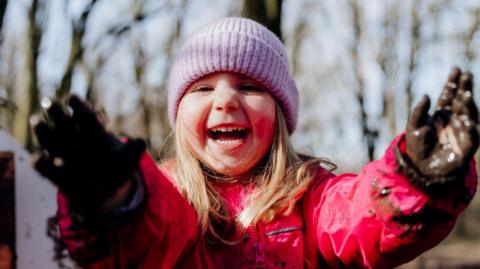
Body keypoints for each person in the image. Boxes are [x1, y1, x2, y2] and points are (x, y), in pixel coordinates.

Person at [33, 17, 479, 269]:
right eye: (203, 89)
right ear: (178, 115)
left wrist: (415, 179)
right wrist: (114, 199)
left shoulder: (309, 196)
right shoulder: (167, 199)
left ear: (281, 116)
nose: (226, 100)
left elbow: (358, 217)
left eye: (249, 86)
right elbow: (145, 240)